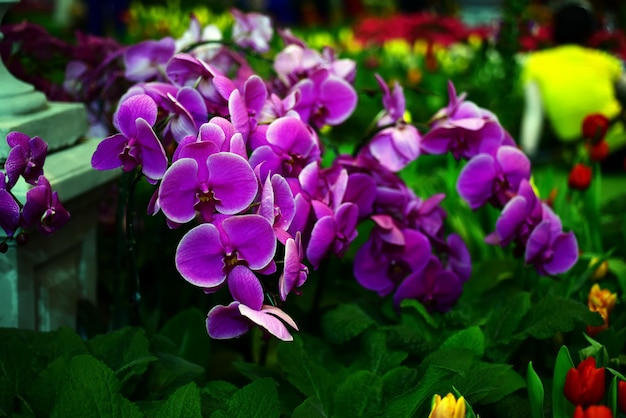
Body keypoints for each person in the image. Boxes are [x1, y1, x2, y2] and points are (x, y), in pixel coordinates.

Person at [519, 0, 626, 170]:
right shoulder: (604, 60)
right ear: (590, 31)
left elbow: (534, 114)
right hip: (619, 141)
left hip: (579, 154)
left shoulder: (535, 64)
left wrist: (527, 155)